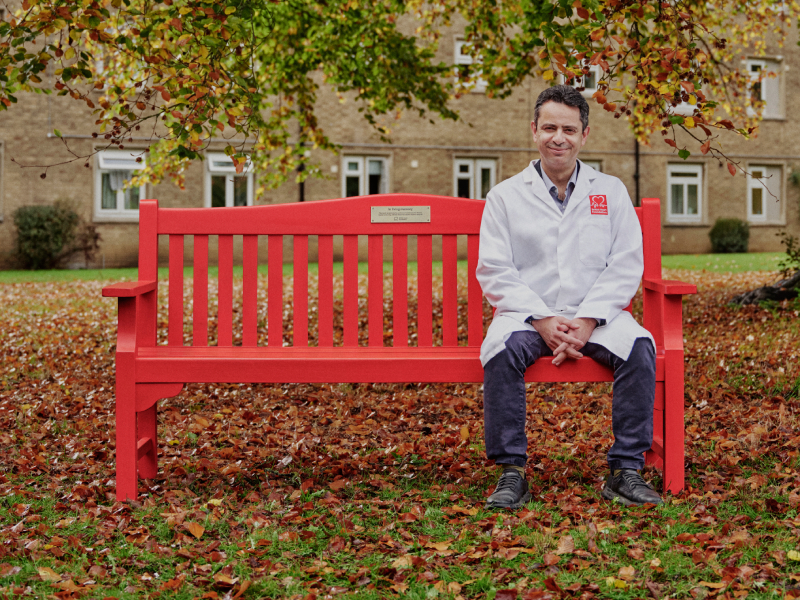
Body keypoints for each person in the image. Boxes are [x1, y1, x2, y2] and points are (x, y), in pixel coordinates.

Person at [476, 85, 662, 509]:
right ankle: (512, 473)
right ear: (534, 131)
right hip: (527, 317)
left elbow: (626, 263)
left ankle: (625, 470)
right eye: (549, 128)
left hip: (596, 316)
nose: (558, 138)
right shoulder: (504, 196)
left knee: (638, 348)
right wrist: (541, 318)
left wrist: (589, 319)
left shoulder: (610, 191)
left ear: (584, 135)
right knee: (501, 352)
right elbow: (494, 268)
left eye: (568, 129)